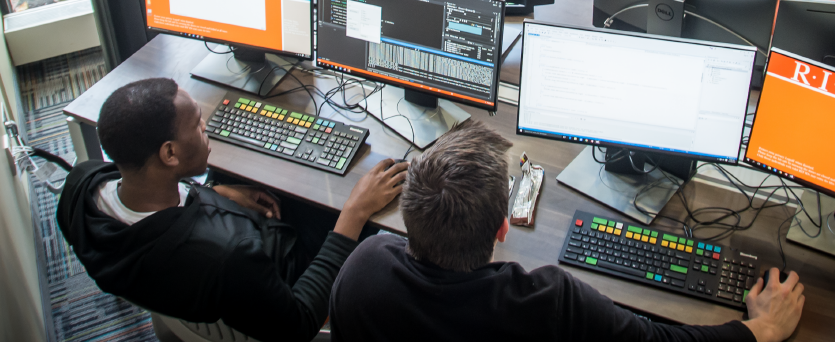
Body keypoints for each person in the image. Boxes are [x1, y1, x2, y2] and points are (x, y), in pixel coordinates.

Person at [330, 119, 804, 342]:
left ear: (408, 218)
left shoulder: (361, 273)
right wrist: (761, 327)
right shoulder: (547, 303)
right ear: (501, 227)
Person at [57, 77, 407, 341]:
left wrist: (210, 191)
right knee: (368, 207)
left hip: (202, 275)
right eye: (196, 122)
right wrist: (354, 215)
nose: (205, 125)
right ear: (169, 154)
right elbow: (296, 324)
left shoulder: (80, 185)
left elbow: (163, 217)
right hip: (278, 274)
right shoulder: (229, 256)